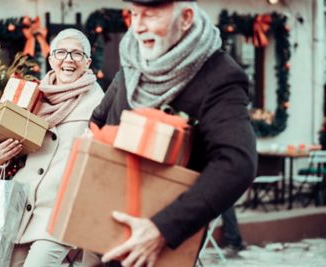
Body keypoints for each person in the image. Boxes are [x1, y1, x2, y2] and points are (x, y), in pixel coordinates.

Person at [87, 0, 257, 266]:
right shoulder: (132, 63)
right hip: (110, 228)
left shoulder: (220, 75)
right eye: (133, 14)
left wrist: (162, 229)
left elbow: (237, 164)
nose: (138, 27)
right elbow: (103, 124)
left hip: (165, 244)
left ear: (186, 17)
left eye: (151, 16)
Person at [0, 28, 104, 266]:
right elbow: (5, 147)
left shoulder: (99, 106)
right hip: (21, 209)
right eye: (61, 53)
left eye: (77, 54)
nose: (68, 60)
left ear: (88, 62)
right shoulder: (32, 97)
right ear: (51, 59)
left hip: (61, 213)